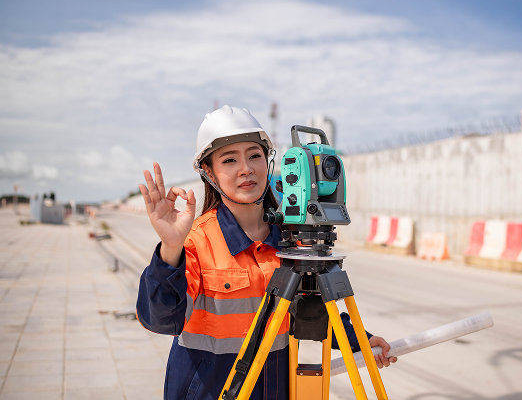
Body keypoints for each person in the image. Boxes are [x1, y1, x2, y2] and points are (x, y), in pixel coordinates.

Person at [136, 105, 396, 400]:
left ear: (268, 161)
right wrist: (171, 248)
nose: (246, 168)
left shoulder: (293, 240)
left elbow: (313, 311)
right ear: (209, 172)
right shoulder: (196, 242)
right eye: (230, 159)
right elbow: (161, 319)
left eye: (254, 155)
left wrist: (359, 340)